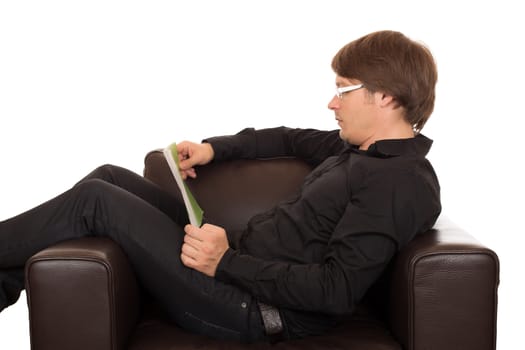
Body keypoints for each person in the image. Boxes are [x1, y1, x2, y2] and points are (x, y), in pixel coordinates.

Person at [0, 30, 441, 342]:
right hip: (235, 263)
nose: (332, 102)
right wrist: (215, 149)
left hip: (250, 307)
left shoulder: (398, 183)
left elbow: (335, 290)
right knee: (110, 177)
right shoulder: (357, 151)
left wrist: (225, 262)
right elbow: (287, 137)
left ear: (386, 97)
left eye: (344, 90)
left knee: (95, 200)